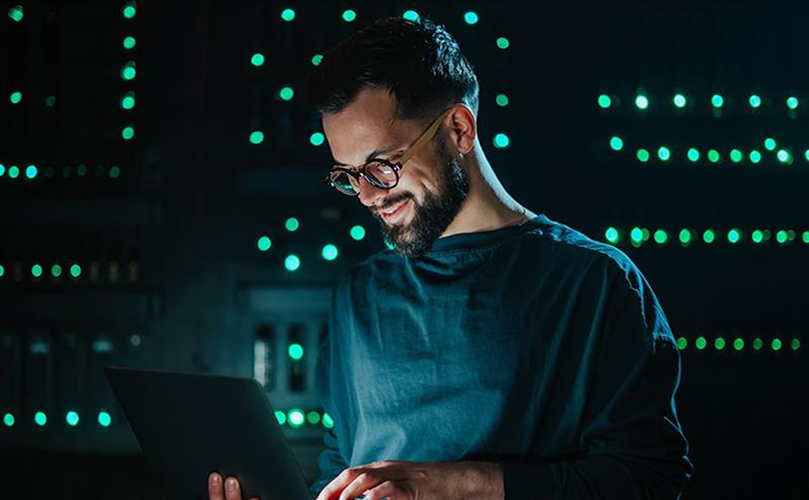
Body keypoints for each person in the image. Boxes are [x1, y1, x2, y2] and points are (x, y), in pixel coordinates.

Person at [208, 14, 693, 500]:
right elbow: (341, 470)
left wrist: (464, 485)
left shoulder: (595, 281)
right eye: (349, 175)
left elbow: (650, 478)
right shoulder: (359, 295)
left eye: (382, 166)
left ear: (459, 129)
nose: (368, 195)